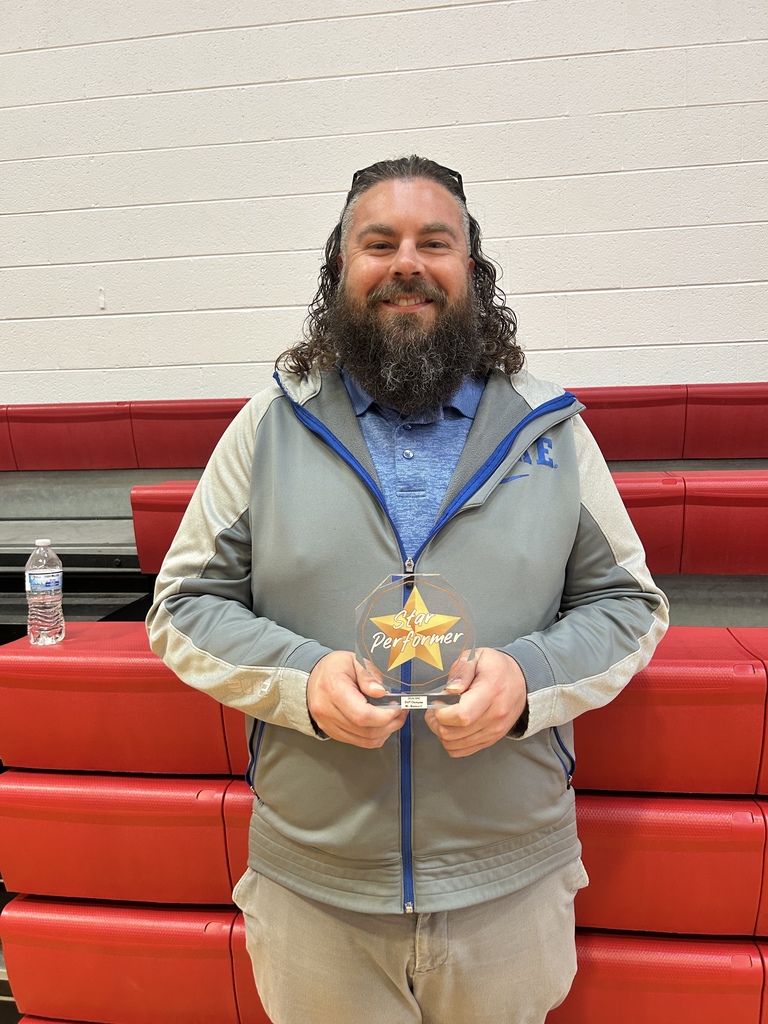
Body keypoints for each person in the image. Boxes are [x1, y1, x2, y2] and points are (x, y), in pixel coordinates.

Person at [147, 155, 668, 1024]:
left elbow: (630, 607)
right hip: (315, 888)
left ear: (473, 268)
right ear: (339, 269)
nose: (407, 263)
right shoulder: (269, 425)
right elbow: (184, 606)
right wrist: (303, 681)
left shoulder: (553, 429)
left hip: (510, 880)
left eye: (437, 241)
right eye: (377, 242)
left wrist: (529, 678)